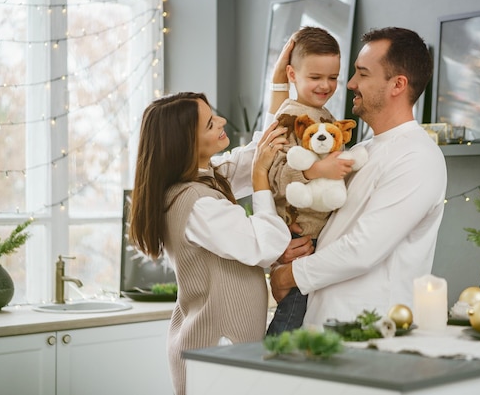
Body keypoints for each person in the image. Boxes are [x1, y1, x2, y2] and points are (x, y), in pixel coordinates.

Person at [269, 27, 448, 328]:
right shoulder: (359, 151)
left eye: (362, 74)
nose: (350, 84)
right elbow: (274, 155)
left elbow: (363, 249)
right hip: (318, 323)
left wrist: (287, 276)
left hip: (368, 331)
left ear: (397, 85)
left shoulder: (418, 157)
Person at [128, 92, 291, 395]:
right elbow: (266, 243)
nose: (223, 122)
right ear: (185, 144)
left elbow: (257, 153)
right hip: (215, 349)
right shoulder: (196, 202)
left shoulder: (207, 177)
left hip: (220, 348)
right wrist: (259, 176)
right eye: (210, 123)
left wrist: (280, 80)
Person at [265, 26, 355, 335]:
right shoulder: (288, 117)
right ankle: (272, 356)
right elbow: (274, 173)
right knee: (294, 309)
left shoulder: (325, 115)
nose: (325, 86)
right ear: (292, 74)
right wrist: (316, 171)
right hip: (299, 229)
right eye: (315, 78)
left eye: (333, 78)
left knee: (310, 308)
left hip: (318, 228)